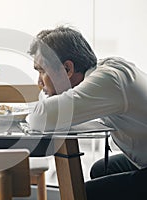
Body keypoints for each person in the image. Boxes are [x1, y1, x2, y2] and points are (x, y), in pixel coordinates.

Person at [28, 26, 147, 199]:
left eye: (42, 71)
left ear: (68, 69)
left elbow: (40, 118)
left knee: (84, 194)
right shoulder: (107, 71)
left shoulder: (107, 81)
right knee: (101, 170)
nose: (39, 81)